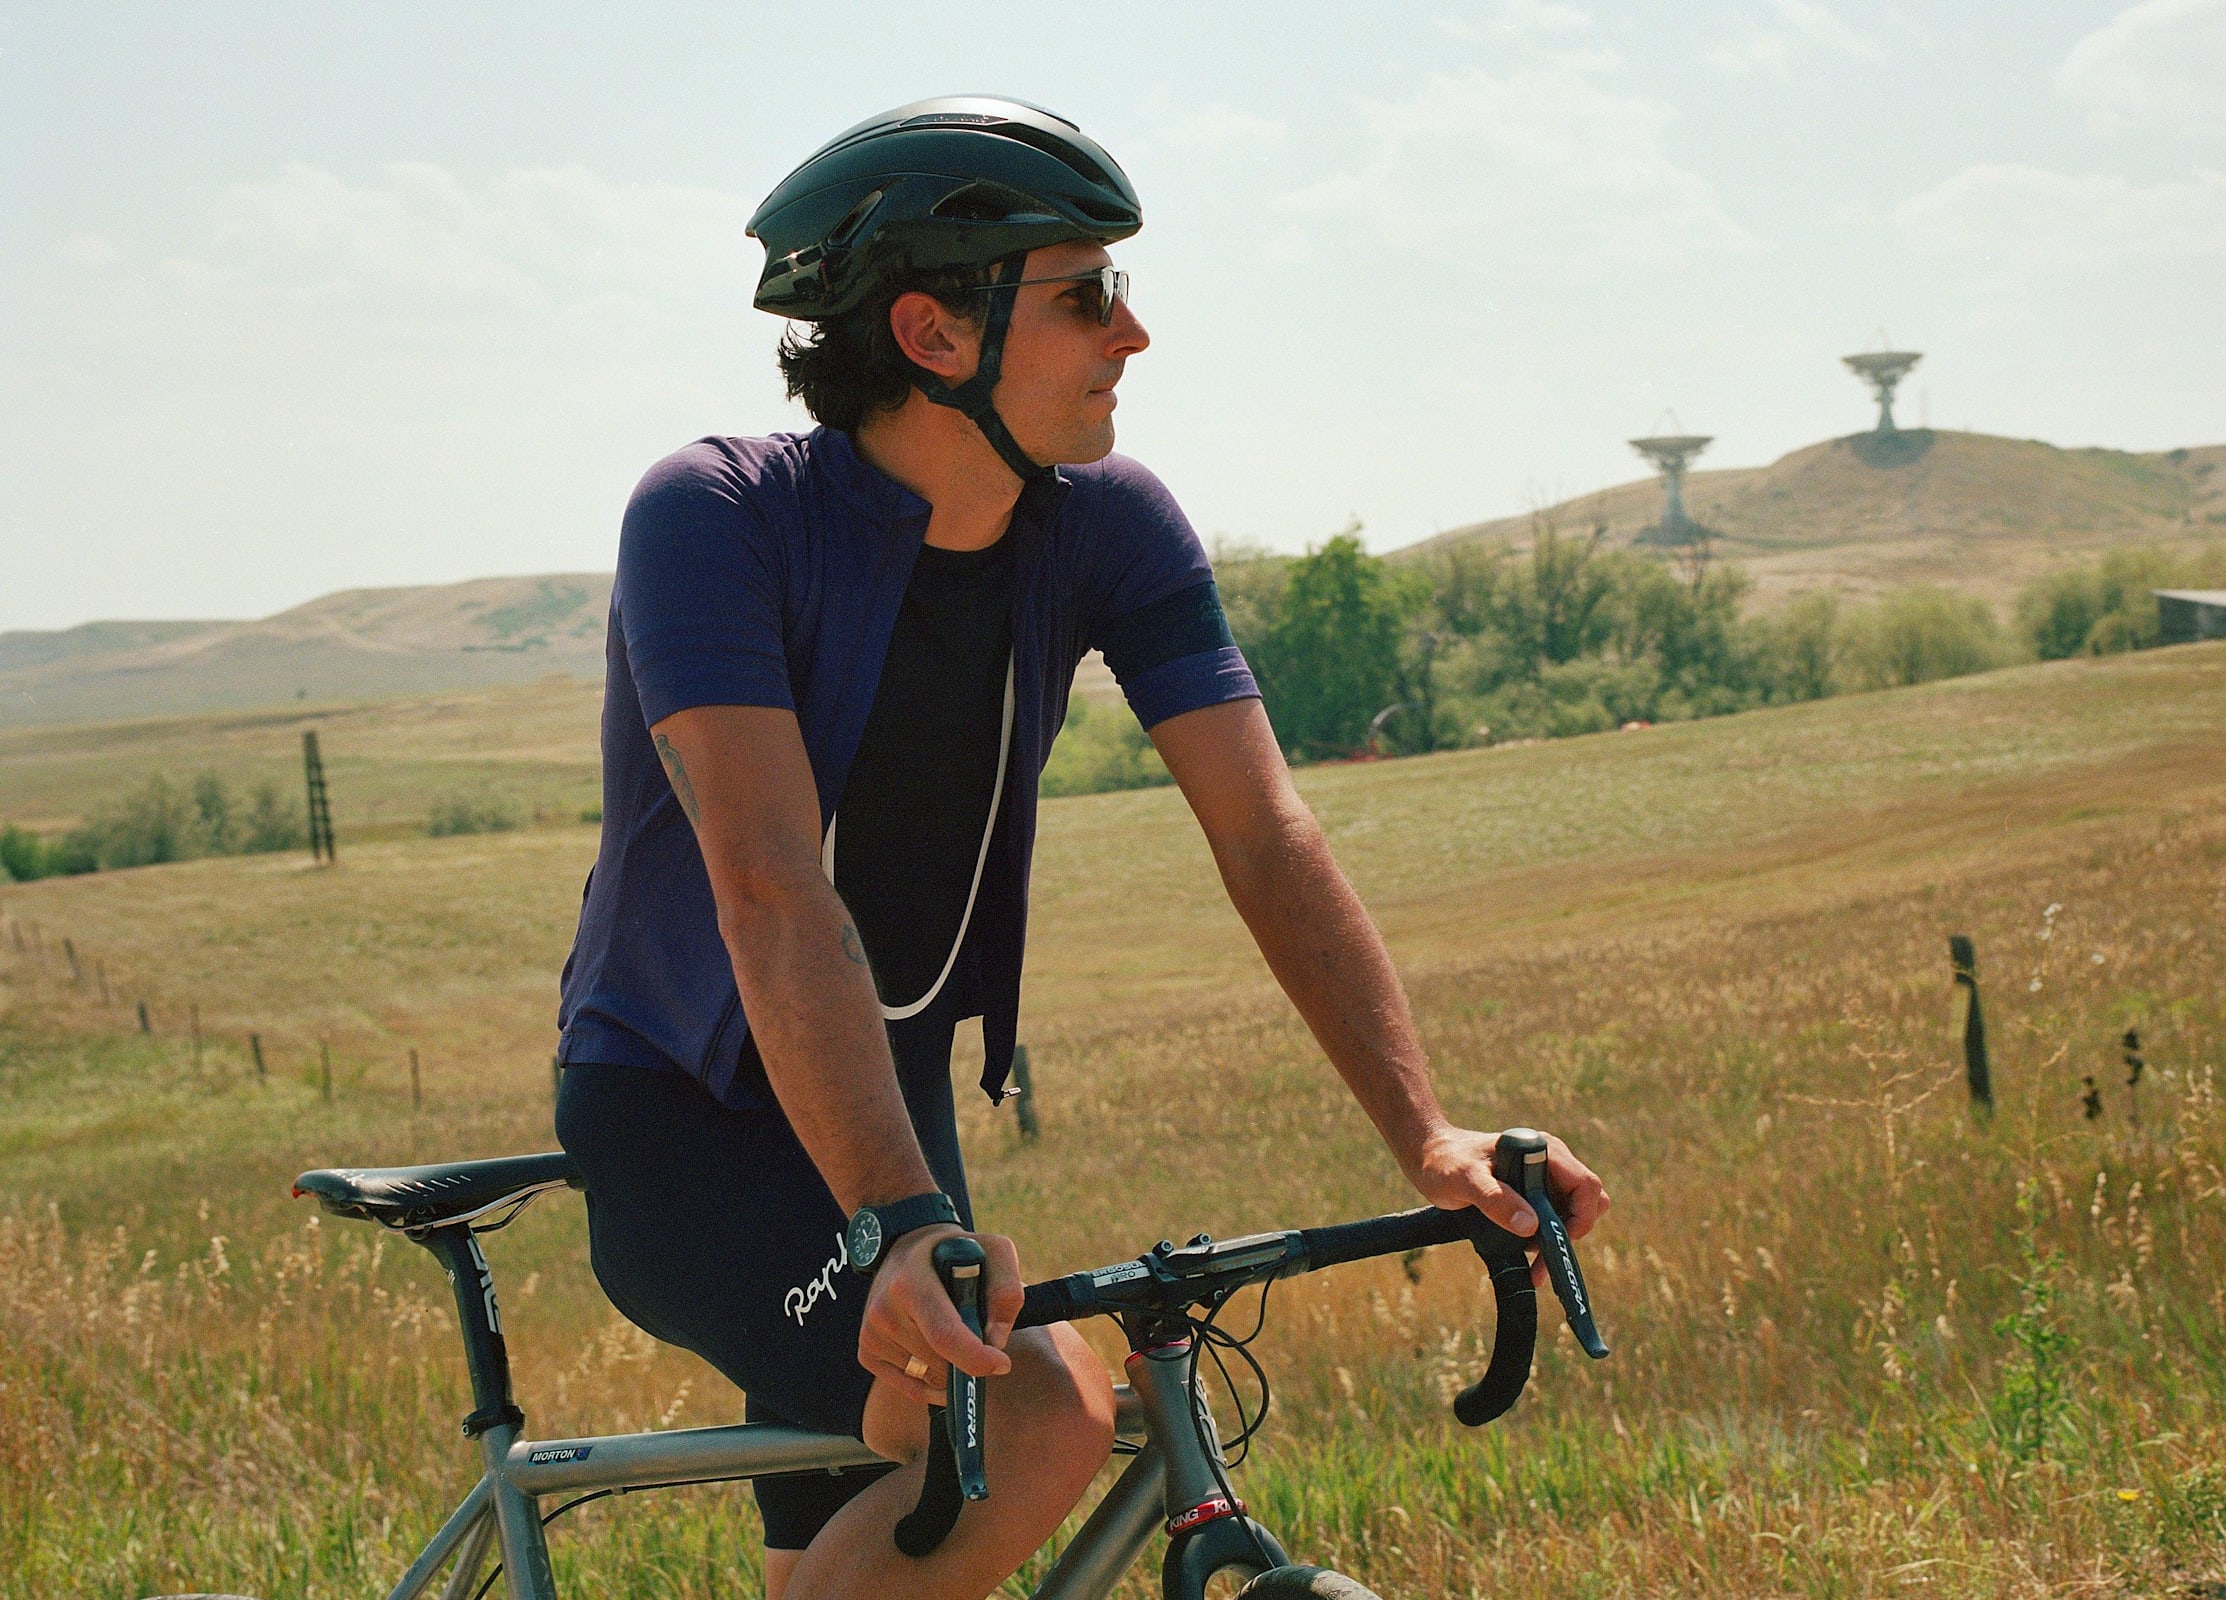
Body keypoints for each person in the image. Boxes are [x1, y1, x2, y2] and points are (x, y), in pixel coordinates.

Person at [551, 95, 1609, 1600]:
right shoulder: (718, 518)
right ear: (932, 334)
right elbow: (771, 887)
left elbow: (1264, 830)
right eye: (1086, 294)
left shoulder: (1109, 528)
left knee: (875, 1547)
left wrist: (1426, 1136)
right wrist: (902, 1219)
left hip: (890, 1125)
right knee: (1038, 1407)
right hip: (696, 1122)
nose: (1134, 334)